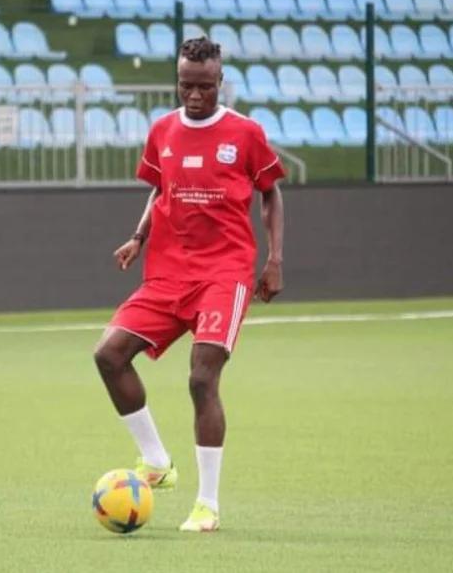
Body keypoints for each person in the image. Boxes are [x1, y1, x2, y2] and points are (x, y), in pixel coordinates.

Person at [93, 37, 285, 533]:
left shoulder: (245, 133)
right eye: (186, 85)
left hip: (225, 272)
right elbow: (162, 188)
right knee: (108, 354)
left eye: (204, 85)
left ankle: (207, 505)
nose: (194, 94)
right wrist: (138, 237)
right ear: (177, 81)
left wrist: (274, 259)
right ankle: (156, 462)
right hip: (167, 271)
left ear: (220, 81)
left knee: (201, 378)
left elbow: (271, 195)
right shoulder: (162, 131)